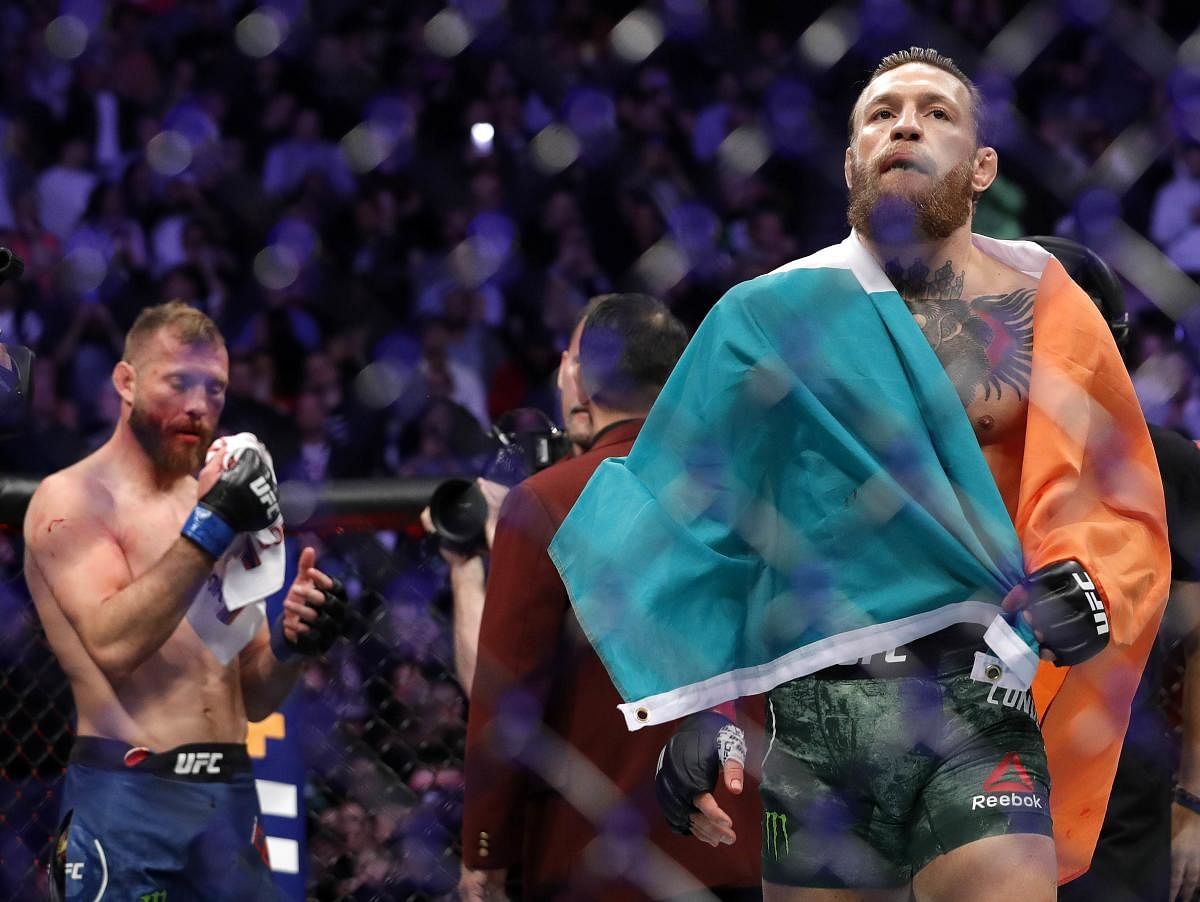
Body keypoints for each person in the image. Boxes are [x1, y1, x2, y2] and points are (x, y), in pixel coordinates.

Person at [551, 47, 1170, 901]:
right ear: (852, 160)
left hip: (979, 689)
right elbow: (687, 520)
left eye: (936, 112)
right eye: (882, 114)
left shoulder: (1044, 304)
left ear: (983, 165)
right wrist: (704, 709)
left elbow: (1115, 491)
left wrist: (1091, 580)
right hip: (817, 709)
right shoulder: (768, 317)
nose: (906, 124)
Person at [24, 301, 349, 900]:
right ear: (126, 381)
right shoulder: (70, 499)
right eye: (179, 383)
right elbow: (112, 645)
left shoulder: (207, 496)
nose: (199, 407)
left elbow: (254, 694)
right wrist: (211, 526)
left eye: (216, 390)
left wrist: (292, 639)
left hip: (229, 797)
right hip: (129, 797)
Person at [457, 293, 763, 901]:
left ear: (580, 378)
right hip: (743, 850)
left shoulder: (546, 503)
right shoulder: (750, 497)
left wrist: (484, 853)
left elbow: (507, 698)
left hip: (594, 861)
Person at [1029, 236, 1200, 902]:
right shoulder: (961, 465)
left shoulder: (1165, 465)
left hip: (1119, 804)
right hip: (975, 790)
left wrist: (1192, 800)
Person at [420, 303, 596, 696]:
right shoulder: (534, 482)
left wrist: (510, 538)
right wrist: (464, 566)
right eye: (581, 365)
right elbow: (484, 690)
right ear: (563, 369)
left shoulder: (650, 492)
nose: (588, 385)